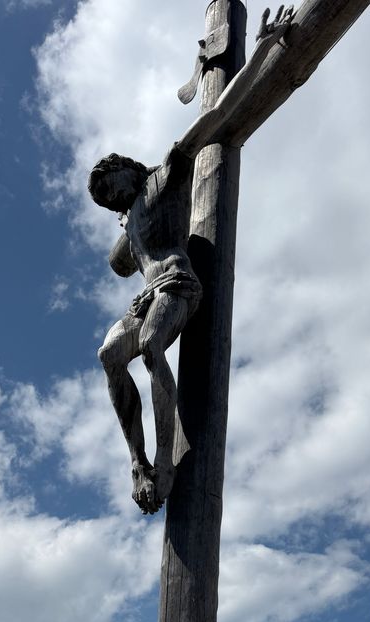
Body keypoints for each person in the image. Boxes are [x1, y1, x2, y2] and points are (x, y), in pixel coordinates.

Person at [88, 7, 295, 516]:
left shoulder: (165, 176)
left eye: (114, 189)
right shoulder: (128, 222)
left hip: (179, 283)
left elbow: (214, 118)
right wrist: (127, 232)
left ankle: (166, 456)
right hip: (146, 294)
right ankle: (137, 460)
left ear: (130, 170)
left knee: (155, 348)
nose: (115, 201)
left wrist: (266, 51)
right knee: (110, 356)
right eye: (108, 201)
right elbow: (118, 262)